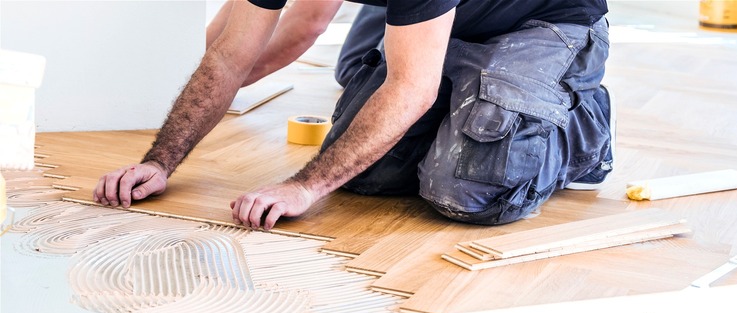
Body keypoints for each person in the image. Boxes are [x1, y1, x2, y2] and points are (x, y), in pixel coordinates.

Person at [93, 0, 614, 231]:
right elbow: (236, 53)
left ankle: (580, 124)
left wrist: (303, 187)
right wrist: (162, 159)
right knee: (367, 178)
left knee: (468, 195)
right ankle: (474, 99)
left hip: (542, 23)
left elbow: (411, 88)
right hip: (444, 23)